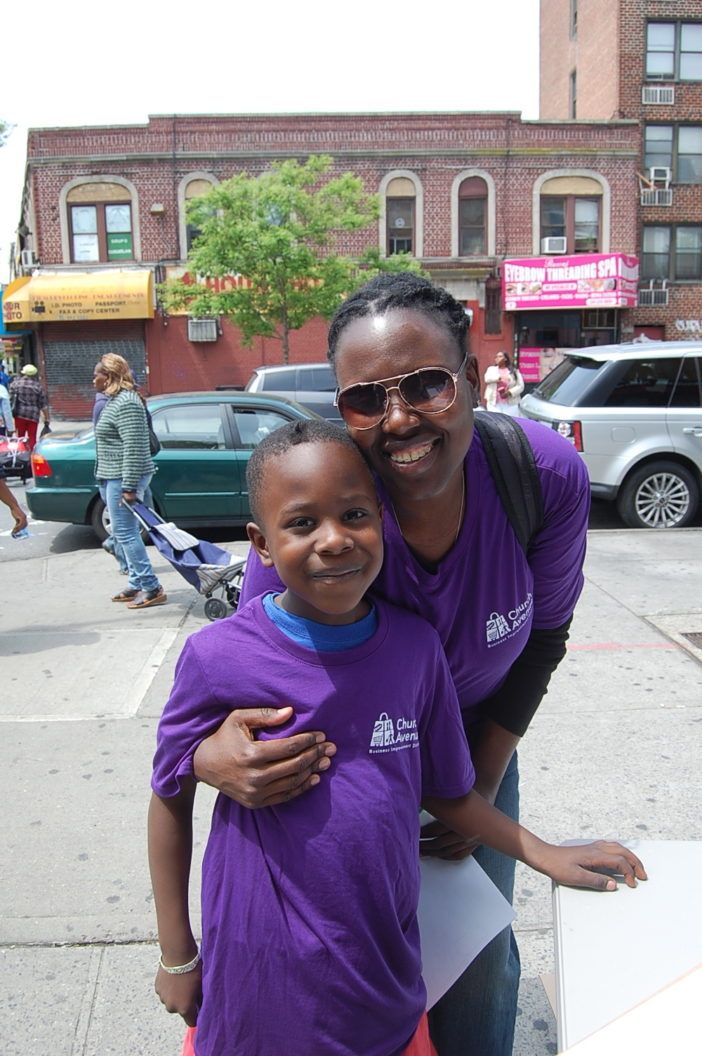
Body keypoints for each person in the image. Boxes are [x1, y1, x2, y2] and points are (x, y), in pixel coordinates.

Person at [149, 420, 645, 1056]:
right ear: (261, 546)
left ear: (382, 521)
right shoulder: (219, 657)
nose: (333, 540)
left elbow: (451, 794)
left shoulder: (415, 650)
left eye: (354, 514)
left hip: (382, 984)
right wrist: (179, 955)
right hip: (256, 984)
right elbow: (168, 796)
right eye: (301, 524)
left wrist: (543, 852)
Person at [191, 273, 591, 1056]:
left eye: (427, 385)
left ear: (472, 380)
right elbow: (249, 671)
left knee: (475, 969)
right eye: (366, 399)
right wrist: (210, 755)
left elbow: (545, 636)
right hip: (340, 760)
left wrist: (477, 780)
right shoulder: (327, 506)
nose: (399, 418)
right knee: (346, 976)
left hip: (475, 746)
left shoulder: (539, 477)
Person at [93, 354, 166, 609]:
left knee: (124, 533)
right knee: (128, 532)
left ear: (109, 376)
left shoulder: (126, 403)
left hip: (123, 477)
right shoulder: (116, 401)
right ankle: (137, 582)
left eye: (97, 375)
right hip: (115, 475)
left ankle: (151, 585)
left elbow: (135, 447)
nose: (94, 380)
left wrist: (129, 486)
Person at [9, 364, 50, 450]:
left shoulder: (15, 384)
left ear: (24, 373)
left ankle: (20, 453)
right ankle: (31, 456)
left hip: (19, 414)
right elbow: (43, 405)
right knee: (32, 437)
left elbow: (11, 399)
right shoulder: (38, 386)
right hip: (33, 415)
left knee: (20, 436)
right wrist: (47, 418)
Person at [483, 350, 524, 416]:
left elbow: (520, 386)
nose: (497, 358)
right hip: (494, 403)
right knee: (495, 421)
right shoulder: (491, 369)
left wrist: (509, 393)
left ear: (505, 359)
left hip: (510, 403)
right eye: (496, 357)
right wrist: (499, 378)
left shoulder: (514, 371)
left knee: (510, 421)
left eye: (500, 356)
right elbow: (487, 379)